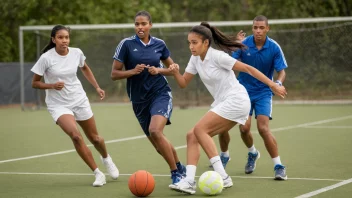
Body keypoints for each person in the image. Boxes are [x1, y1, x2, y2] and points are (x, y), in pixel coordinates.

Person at [168, 22, 287, 194]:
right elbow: (183, 83)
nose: (191, 46)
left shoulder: (217, 56)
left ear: (206, 43)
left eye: (194, 42)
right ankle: (189, 181)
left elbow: (247, 68)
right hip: (223, 101)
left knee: (201, 130)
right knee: (191, 135)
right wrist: (174, 73)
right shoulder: (195, 58)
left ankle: (223, 176)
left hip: (236, 99)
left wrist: (272, 85)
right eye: (189, 42)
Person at [31, 25, 119, 187]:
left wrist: (97, 87)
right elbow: (35, 83)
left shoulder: (76, 53)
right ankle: (98, 173)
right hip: (58, 105)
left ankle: (106, 158)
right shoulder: (46, 58)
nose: (64, 40)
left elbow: (85, 68)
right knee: (76, 136)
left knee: (95, 138)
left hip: (79, 100)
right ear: (53, 39)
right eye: (60, 37)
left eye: (66, 37)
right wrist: (51, 86)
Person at [110, 10, 186, 185]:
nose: (140, 27)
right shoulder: (126, 44)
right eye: (137, 24)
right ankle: (180, 166)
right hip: (138, 101)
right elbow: (114, 74)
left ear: (150, 25)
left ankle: (175, 173)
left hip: (160, 93)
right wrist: (132, 71)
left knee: (155, 130)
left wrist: (160, 70)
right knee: (158, 144)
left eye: (143, 24)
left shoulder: (159, 44)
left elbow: (172, 70)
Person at [216, 15, 288, 180]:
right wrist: (236, 45)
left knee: (263, 128)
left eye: (261, 28)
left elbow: (282, 71)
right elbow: (230, 63)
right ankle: (252, 153)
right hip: (243, 91)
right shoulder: (244, 44)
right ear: (252, 28)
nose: (258, 31)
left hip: (264, 92)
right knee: (244, 128)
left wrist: (277, 83)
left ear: (267, 29)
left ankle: (279, 166)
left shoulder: (274, 47)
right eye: (255, 27)